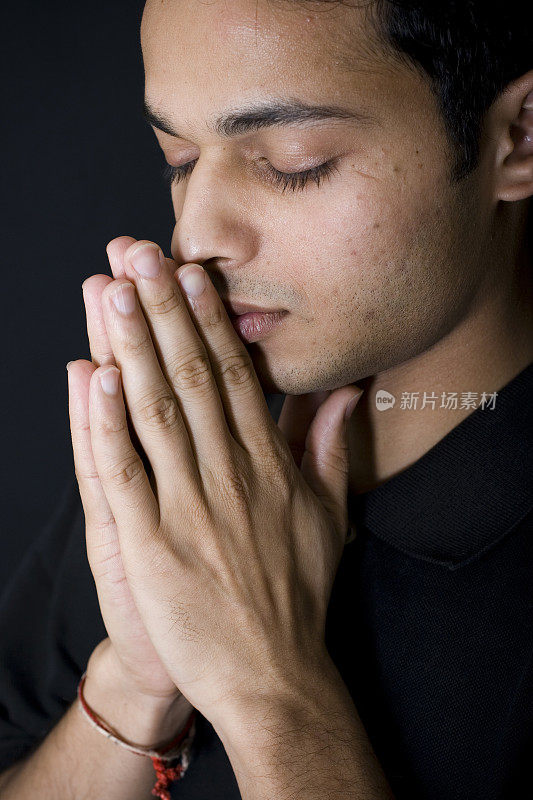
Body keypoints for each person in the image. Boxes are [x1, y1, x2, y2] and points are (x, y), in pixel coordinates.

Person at [1, 1, 532, 798]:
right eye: (178, 157)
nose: (194, 235)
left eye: (293, 161)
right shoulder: (183, 445)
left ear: (516, 137)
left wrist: (269, 691)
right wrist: (138, 682)